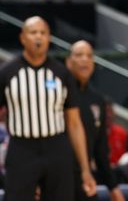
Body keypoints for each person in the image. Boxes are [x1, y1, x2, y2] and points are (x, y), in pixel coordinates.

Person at [0, 16, 96, 200]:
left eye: (43, 33)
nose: (38, 37)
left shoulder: (62, 74)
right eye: (33, 32)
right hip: (22, 148)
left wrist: (85, 169)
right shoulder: (7, 72)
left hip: (57, 147)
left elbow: (74, 123)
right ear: (22, 38)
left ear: (49, 38)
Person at [66, 40, 126, 201]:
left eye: (89, 56)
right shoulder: (58, 94)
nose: (85, 59)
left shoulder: (97, 100)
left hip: (84, 178)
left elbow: (100, 149)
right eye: (79, 55)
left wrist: (113, 187)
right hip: (57, 177)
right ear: (68, 62)